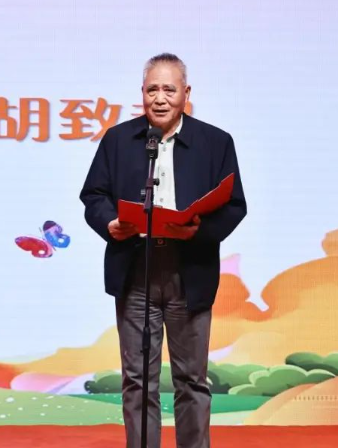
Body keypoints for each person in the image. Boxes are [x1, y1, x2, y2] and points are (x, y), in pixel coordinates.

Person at [79, 53, 246, 448]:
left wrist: (200, 232)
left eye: (169, 90)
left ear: (186, 93)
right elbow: (94, 195)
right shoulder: (118, 140)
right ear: (141, 93)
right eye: (152, 89)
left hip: (189, 270)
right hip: (135, 267)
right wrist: (110, 223)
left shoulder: (215, 142)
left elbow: (234, 205)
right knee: (137, 379)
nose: (160, 98)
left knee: (191, 379)